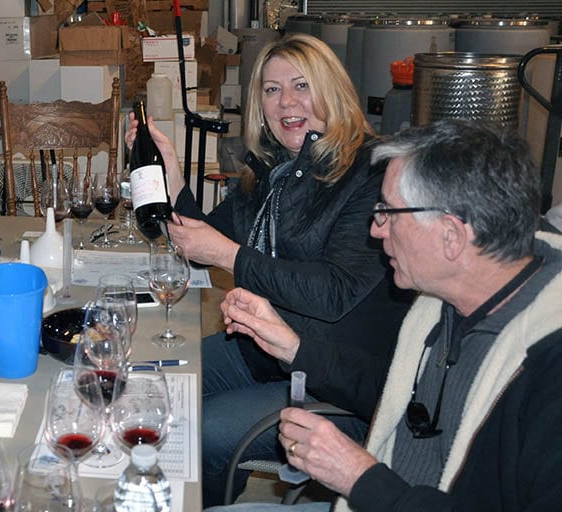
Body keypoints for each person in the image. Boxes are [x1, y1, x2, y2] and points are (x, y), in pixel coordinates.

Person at [211, 119, 562, 511]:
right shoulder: (443, 300)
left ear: (451, 235)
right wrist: (293, 347)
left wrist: (359, 477)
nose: (376, 230)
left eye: (389, 212)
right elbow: (392, 391)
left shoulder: (547, 367)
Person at [127, 33, 413, 504]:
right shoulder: (274, 171)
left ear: (332, 91)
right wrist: (171, 172)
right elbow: (200, 240)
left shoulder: (370, 173)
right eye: (271, 89)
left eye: (301, 86)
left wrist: (229, 255)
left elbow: (334, 291)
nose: (286, 103)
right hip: (262, 351)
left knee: (196, 432)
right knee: (152, 391)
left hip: (334, 383)